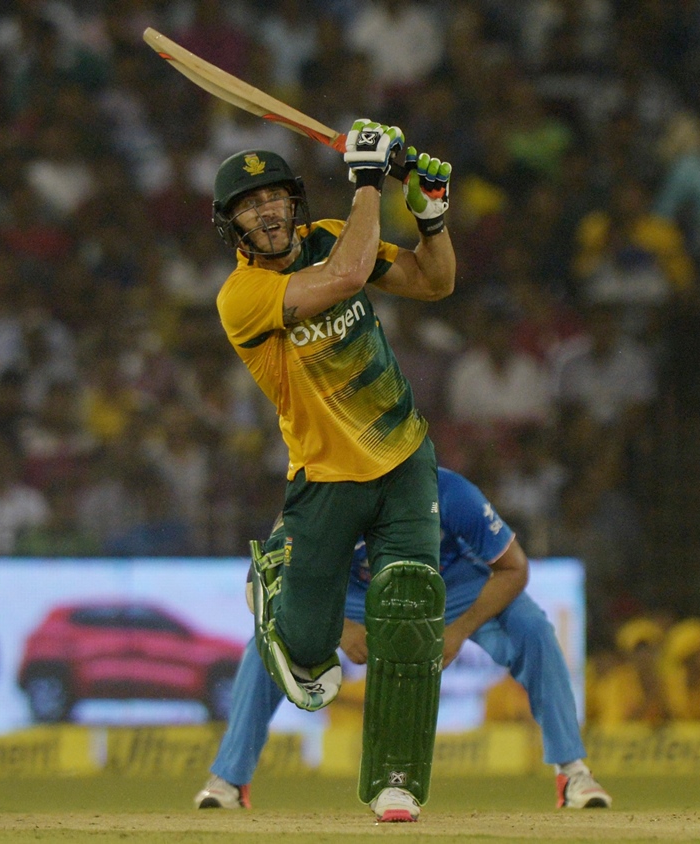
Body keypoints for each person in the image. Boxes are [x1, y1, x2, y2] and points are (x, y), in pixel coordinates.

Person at [210, 122, 455, 822]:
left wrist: (432, 217)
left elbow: (435, 283)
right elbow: (345, 278)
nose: (269, 213)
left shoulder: (327, 235)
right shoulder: (242, 298)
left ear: (293, 201)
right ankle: (274, 593)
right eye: (251, 206)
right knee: (312, 669)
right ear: (231, 227)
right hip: (324, 478)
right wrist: (372, 183)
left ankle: (396, 780)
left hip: (405, 456)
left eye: (277, 197)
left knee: (410, 610)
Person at [192, 468, 613, 813]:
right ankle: (230, 779)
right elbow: (267, 584)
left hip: (447, 588)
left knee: (534, 631)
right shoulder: (322, 494)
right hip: (349, 596)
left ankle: (572, 772)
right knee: (267, 646)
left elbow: (514, 568)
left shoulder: (449, 492)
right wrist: (337, 627)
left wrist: (457, 631)